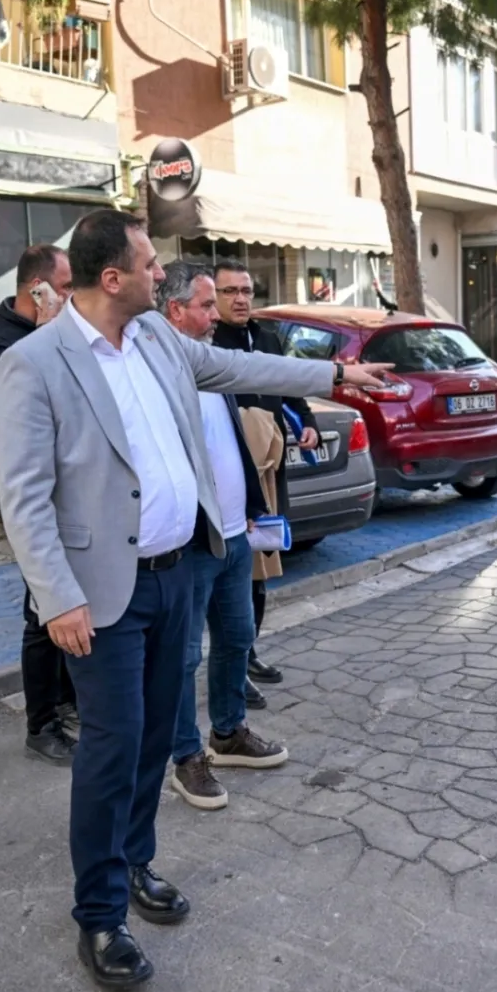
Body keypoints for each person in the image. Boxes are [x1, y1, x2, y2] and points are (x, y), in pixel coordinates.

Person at [0, 210, 391, 990]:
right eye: (149, 264)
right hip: (101, 596)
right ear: (113, 277)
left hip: (179, 573)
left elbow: (237, 367)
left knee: (152, 741)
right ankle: (99, 914)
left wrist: (333, 377)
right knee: (111, 750)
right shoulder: (34, 363)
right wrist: (57, 597)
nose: (160, 274)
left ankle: (135, 864)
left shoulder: (155, 338)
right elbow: (25, 495)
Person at [158, 262, 288, 811]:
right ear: (175, 310)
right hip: (191, 543)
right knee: (183, 656)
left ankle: (229, 733)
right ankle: (185, 756)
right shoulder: (162, 371)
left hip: (235, 535)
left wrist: (253, 507)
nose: (216, 316)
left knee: (237, 638)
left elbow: (230, 441)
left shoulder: (211, 365)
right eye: (207, 305)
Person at [0, 243, 79, 765]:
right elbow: (12, 397)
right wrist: (47, 333)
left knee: (74, 599)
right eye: (67, 285)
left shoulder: (63, 331)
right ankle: (42, 725)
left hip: (71, 491)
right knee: (42, 610)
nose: (74, 295)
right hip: (30, 500)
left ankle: (69, 698)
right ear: (38, 288)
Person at [211, 258, 317, 705]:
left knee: (261, 570)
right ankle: (232, 667)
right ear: (213, 297)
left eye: (246, 291)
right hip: (230, 479)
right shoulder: (208, 344)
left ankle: (248, 654)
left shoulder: (267, 337)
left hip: (270, 474)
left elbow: (289, 386)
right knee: (233, 576)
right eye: (230, 291)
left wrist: (306, 422)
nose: (240, 300)